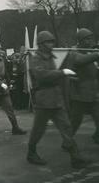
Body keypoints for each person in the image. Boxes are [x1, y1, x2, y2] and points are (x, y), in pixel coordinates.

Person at [27, 31, 89, 169]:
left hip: (55, 98)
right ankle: (31, 153)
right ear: (41, 44)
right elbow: (42, 75)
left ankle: (75, 157)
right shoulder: (36, 59)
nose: (51, 45)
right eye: (48, 42)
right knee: (38, 129)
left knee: (66, 127)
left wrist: (69, 77)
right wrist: (62, 72)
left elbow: (54, 76)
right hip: (44, 100)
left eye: (52, 42)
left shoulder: (50, 57)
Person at [65, 28, 99, 144]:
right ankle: (67, 141)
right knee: (76, 121)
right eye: (87, 39)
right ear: (80, 41)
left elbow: (94, 72)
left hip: (93, 93)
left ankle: (97, 136)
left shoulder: (90, 52)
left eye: (91, 39)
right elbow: (80, 61)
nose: (90, 42)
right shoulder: (74, 52)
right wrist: (97, 54)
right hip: (79, 94)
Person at [0, 44, 26, 135]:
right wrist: (0, 83)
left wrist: (9, 81)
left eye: (0, 50)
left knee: (9, 108)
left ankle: (15, 127)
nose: (0, 51)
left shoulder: (1, 59)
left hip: (3, 89)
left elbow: (5, 72)